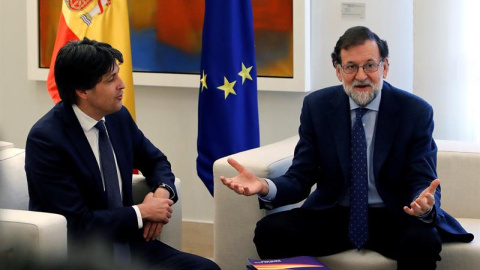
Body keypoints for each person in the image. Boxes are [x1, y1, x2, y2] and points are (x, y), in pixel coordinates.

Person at [220, 26, 473, 270]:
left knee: (423, 240)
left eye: (370, 65)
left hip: (393, 213)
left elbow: (423, 178)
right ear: (338, 71)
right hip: (334, 213)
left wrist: (423, 203)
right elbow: (300, 177)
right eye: (351, 67)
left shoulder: (415, 111)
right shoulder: (317, 107)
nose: (361, 76)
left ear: (384, 66)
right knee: (271, 231)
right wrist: (265, 186)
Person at [25, 38, 220, 270]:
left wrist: (161, 193)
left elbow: (156, 161)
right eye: (111, 79)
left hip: (131, 246)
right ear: (81, 90)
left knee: (208, 269)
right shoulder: (46, 140)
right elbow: (77, 224)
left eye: (118, 74)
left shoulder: (117, 118)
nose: (122, 84)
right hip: (84, 256)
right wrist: (142, 212)